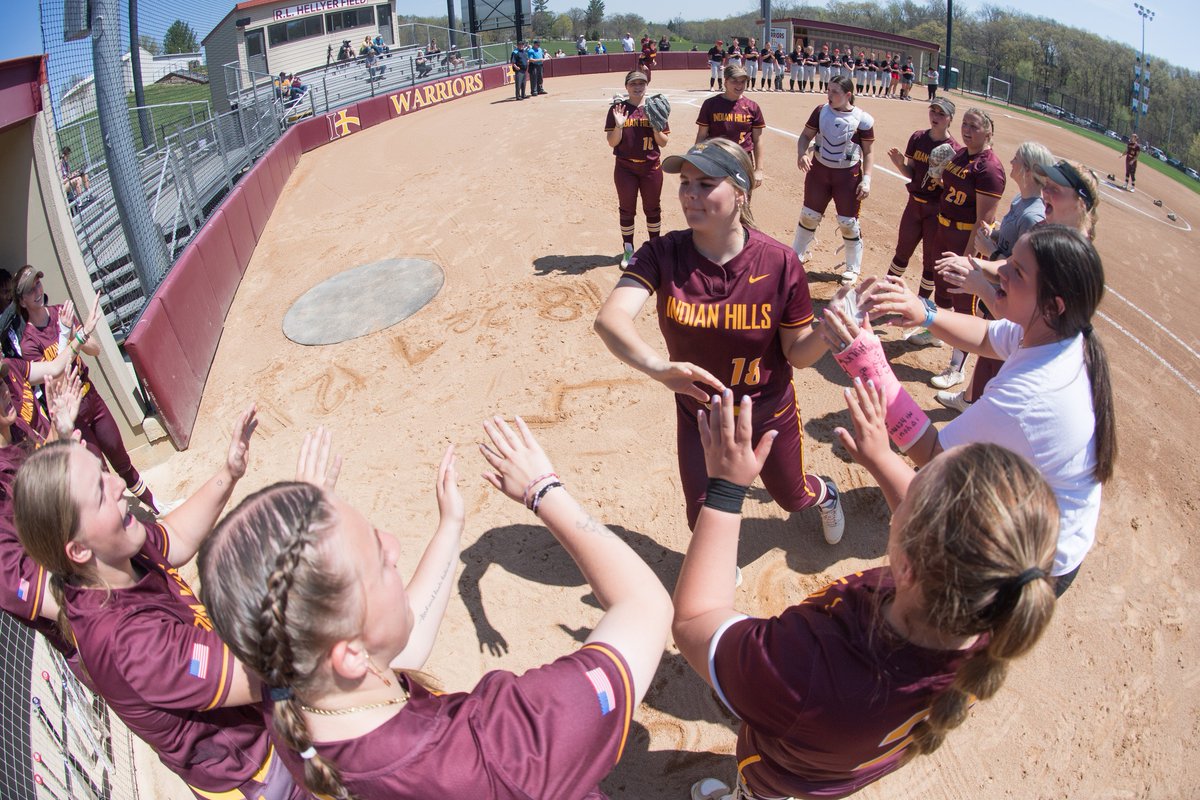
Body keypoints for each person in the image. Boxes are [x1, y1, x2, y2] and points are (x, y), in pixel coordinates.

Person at [197, 419, 672, 799]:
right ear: (349, 654)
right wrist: (543, 490)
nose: (394, 546)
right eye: (379, 560)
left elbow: (398, 653)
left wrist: (450, 526)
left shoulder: (290, 698)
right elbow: (644, 605)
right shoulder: (497, 751)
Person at [675, 385, 1059, 800]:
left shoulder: (808, 667)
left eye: (916, 487)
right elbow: (945, 540)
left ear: (908, 563)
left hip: (783, 773)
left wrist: (726, 491)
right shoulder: (995, 612)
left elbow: (695, 620)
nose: (906, 486)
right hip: (843, 770)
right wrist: (882, 458)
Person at [13, 407, 308, 799]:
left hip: (263, 726)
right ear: (78, 549)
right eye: (100, 493)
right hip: (258, 771)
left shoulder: (116, 557)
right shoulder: (127, 642)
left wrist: (229, 472)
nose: (117, 486)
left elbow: (177, 537)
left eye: (103, 473)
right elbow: (261, 672)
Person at [840, 222, 1117, 596]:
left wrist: (871, 364)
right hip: (1029, 520)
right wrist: (924, 312)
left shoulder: (1029, 398)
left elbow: (935, 456)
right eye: (1009, 261)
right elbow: (988, 336)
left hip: (1030, 566)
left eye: (1016, 271)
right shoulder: (1057, 333)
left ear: (1054, 305)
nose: (999, 270)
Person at [594, 138, 846, 542]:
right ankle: (719, 569)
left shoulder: (780, 262)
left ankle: (827, 495)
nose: (690, 195)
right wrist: (659, 369)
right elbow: (611, 319)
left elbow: (797, 354)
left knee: (793, 496)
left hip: (765, 410)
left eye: (706, 183)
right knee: (702, 515)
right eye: (686, 182)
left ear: (740, 191)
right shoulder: (662, 253)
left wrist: (825, 333)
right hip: (699, 415)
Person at [16, 266, 161, 513]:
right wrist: (70, 336)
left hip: (90, 396)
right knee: (100, 472)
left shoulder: (60, 313)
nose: (38, 291)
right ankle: (120, 523)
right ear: (22, 301)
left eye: (38, 284)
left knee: (120, 456)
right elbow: (55, 376)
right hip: (72, 413)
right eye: (30, 290)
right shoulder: (28, 343)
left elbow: (94, 349)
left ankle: (155, 504)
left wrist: (76, 333)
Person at [934, 142, 1055, 413]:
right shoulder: (1019, 201)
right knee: (989, 347)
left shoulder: (1033, 215)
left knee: (997, 352)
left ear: (1027, 169)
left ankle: (978, 406)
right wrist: (996, 235)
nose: (1010, 161)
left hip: (1007, 289)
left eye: (1016, 159)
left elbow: (1021, 264)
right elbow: (1009, 240)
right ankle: (968, 398)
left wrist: (992, 251)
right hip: (997, 281)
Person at [926, 108, 1005, 391]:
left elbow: (983, 220)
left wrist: (968, 258)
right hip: (945, 230)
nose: (966, 130)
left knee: (964, 303)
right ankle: (937, 334)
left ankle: (956, 367)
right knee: (942, 287)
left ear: (988, 132)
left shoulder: (989, 168)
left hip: (964, 238)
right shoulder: (960, 155)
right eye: (964, 125)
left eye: (973, 126)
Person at [790, 75, 875, 285]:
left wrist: (867, 180)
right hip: (819, 172)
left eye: (835, 92)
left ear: (848, 95)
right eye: (828, 90)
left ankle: (852, 267)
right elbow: (805, 137)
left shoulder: (863, 120)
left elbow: (869, 152)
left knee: (848, 222)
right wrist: (802, 154)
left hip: (847, 176)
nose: (829, 95)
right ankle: (796, 256)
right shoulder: (820, 112)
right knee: (809, 215)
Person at [885, 97, 960, 332]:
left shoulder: (955, 151)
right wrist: (899, 164)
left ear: (949, 119)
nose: (935, 116)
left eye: (941, 113)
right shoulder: (918, 138)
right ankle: (887, 296)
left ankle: (921, 309)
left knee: (929, 262)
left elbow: (950, 188)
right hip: (913, 206)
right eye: (933, 111)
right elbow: (911, 173)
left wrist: (941, 180)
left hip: (934, 211)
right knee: (901, 253)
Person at [606, 70, 671, 267]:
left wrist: (654, 126)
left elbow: (664, 142)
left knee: (652, 208)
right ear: (626, 87)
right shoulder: (617, 109)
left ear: (646, 86)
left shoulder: (654, 107)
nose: (637, 87)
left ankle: (654, 248)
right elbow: (612, 142)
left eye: (641, 83)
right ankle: (628, 250)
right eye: (633, 83)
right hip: (625, 167)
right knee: (627, 210)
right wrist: (619, 126)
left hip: (651, 166)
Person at [696, 65, 766, 189]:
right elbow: (702, 136)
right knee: (715, 200)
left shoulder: (752, 107)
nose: (739, 85)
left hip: (743, 159)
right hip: (716, 158)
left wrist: (758, 170)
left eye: (743, 81)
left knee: (741, 201)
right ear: (726, 81)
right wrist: (697, 158)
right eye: (734, 81)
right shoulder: (710, 105)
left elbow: (758, 140)